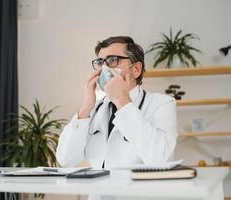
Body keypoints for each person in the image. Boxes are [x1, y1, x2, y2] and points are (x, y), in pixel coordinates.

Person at [56, 36, 177, 169]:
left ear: (136, 69)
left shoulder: (161, 104)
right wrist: (85, 108)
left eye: (112, 60)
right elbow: (65, 159)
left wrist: (122, 101)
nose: (104, 68)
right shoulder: (93, 109)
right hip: (98, 189)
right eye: (100, 62)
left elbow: (160, 158)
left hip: (138, 189)